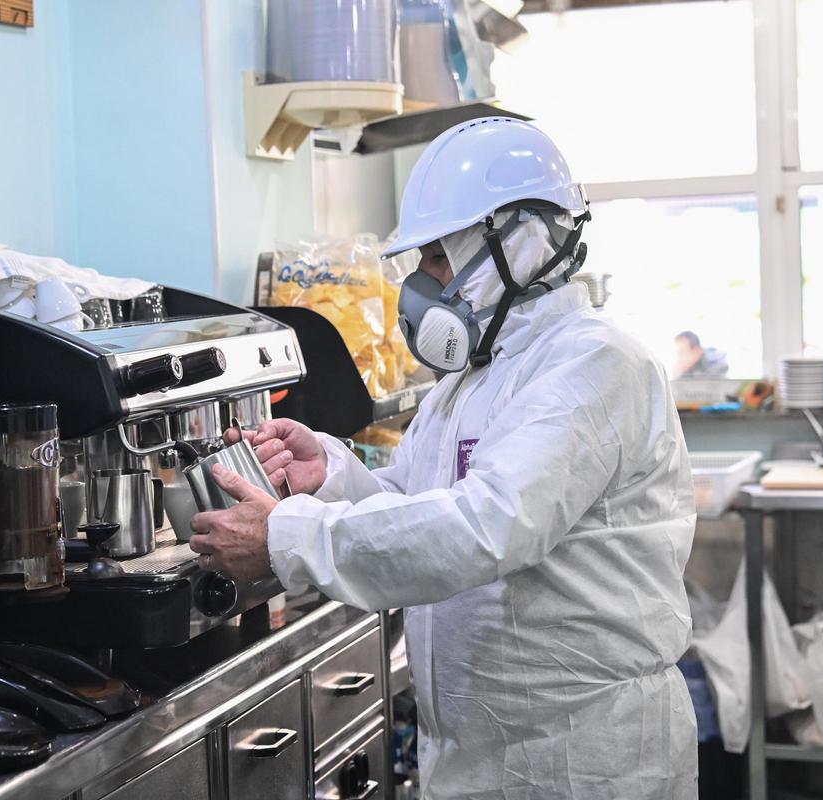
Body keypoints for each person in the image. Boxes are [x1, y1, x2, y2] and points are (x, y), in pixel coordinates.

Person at [189, 117, 697, 799]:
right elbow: (420, 503)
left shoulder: (594, 363)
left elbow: (487, 526)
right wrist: (333, 476)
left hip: (583, 759)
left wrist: (287, 538)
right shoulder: (472, 379)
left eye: (437, 258)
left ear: (519, 244)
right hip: (477, 754)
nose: (423, 285)